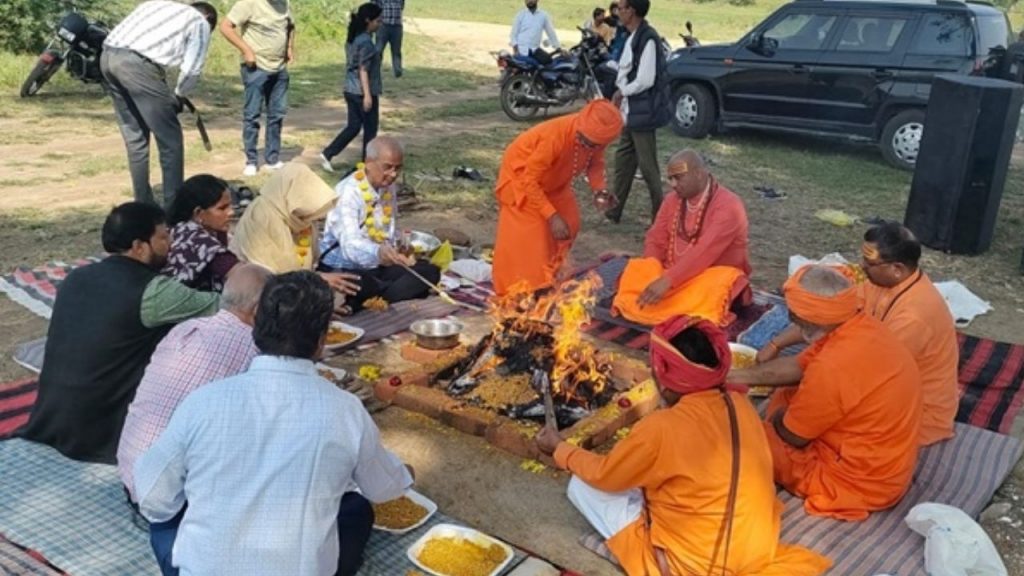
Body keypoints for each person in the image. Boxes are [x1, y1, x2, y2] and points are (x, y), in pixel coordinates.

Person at [134, 271, 414, 576]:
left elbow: (153, 500)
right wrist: (403, 472)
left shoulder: (204, 402)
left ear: (256, 325)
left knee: (166, 526)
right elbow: (384, 489)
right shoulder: (345, 410)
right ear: (322, 341)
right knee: (356, 510)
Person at [535, 316, 831, 576]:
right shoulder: (739, 403)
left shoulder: (661, 428)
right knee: (648, 473)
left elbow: (605, 475)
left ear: (664, 381)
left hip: (695, 567)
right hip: (756, 549)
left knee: (582, 485)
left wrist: (560, 449)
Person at [20, 203, 220, 464]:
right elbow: (227, 306)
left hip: (51, 416)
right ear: (139, 246)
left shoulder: (75, 278)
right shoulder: (155, 291)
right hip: (103, 428)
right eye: (163, 237)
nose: (170, 245)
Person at [729, 265, 923, 521]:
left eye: (794, 314)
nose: (791, 319)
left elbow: (792, 436)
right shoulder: (860, 326)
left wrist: (777, 419)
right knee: (787, 392)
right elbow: (798, 365)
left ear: (808, 320)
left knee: (737, 430)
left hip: (854, 484)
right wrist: (732, 376)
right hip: (884, 464)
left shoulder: (832, 365)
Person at [756, 223, 959, 446]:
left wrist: (799, 383)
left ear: (897, 269)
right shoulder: (877, 279)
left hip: (913, 414)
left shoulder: (914, 317)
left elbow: (860, 373)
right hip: (867, 371)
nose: (861, 267)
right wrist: (776, 343)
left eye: (870, 263)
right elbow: (828, 314)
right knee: (793, 397)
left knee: (805, 422)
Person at [118, 264, 270, 502]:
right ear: (258, 309)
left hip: (131, 472)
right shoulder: (253, 347)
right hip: (175, 497)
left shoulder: (185, 329)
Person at [492, 99, 623, 296]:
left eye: (594, 144)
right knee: (534, 239)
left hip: (554, 185)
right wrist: (551, 216)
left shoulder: (595, 138)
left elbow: (595, 163)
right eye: (585, 140)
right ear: (580, 125)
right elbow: (529, 180)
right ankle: (522, 291)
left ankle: (550, 273)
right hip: (522, 183)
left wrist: (599, 190)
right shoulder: (555, 137)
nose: (588, 145)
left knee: (571, 223)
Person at [611, 150, 751, 326]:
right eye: (670, 178)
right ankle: (664, 310)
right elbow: (656, 238)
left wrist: (668, 281)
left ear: (699, 174)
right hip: (670, 273)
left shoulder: (729, 206)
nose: (673, 184)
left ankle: (664, 312)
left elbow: (705, 252)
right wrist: (652, 270)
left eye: (678, 178)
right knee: (637, 270)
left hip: (707, 278)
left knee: (713, 287)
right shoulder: (672, 200)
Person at [100, 1, 218, 208]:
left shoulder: (157, 4)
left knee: (135, 138)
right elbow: (192, 69)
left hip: (107, 57)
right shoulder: (199, 22)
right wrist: (180, 96)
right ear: (208, 19)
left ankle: (142, 204)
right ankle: (175, 208)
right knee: (170, 140)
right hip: (136, 66)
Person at [319, 137, 439, 310]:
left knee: (429, 272)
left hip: (377, 266)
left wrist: (399, 251)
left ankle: (367, 301)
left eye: (398, 168)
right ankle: (370, 298)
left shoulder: (387, 187)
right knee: (364, 284)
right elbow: (350, 246)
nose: (393, 174)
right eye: (387, 167)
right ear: (368, 163)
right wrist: (379, 252)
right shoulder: (348, 193)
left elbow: (387, 231)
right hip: (344, 269)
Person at [230, 162, 360, 299]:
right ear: (291, 196)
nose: (310, 219)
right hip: (255, 297)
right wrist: (317, 280)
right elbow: (272, 277)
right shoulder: (262, 216)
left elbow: (304, 265)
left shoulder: (299, 217)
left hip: (291, 293)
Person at [606, 0, 668, 224]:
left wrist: (623, 92)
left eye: (621, 8)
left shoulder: (648, 38)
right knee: (623, 161)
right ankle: (614, 210)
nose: (618, 12)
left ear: (631, 11)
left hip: (642, 112)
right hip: (632, 113)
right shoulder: (634, 36)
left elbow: (645, 79)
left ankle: (660, 216)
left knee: (648, 167)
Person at [220, 0, 295, 176]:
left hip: (279, 68)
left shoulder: (284, 4)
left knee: (277, 114)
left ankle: (272, 158)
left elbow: (290, 25)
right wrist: (247, 51)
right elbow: (225, 26)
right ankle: (251, 161)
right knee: (252, 115)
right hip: (256, 67)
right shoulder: (249, 3)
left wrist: (290, 47)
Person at [320, 3, 384, 172]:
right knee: (370, 129)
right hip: (362, 91)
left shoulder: (353, 38)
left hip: (350, 89)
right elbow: (363, 69)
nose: (380, 24)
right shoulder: (367, 43)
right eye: (378, 21)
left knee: (353, 126)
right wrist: (368, 95)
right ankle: (368, 164)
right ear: (368, 21)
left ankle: (328, 153)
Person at [163, 174, 240, 291]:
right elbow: (240, 275)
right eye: (222, 208)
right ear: (198, 213)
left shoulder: (180, 229)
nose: (231, 212)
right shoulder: (199, 241)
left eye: (230, 205)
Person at [374, 0, 405, 78]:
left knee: (396, 50)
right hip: (383, 25)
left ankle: (398, 70)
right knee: (378, 49)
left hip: (397, 25)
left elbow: (401, 7)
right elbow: (374, 7)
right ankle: (375, 68)